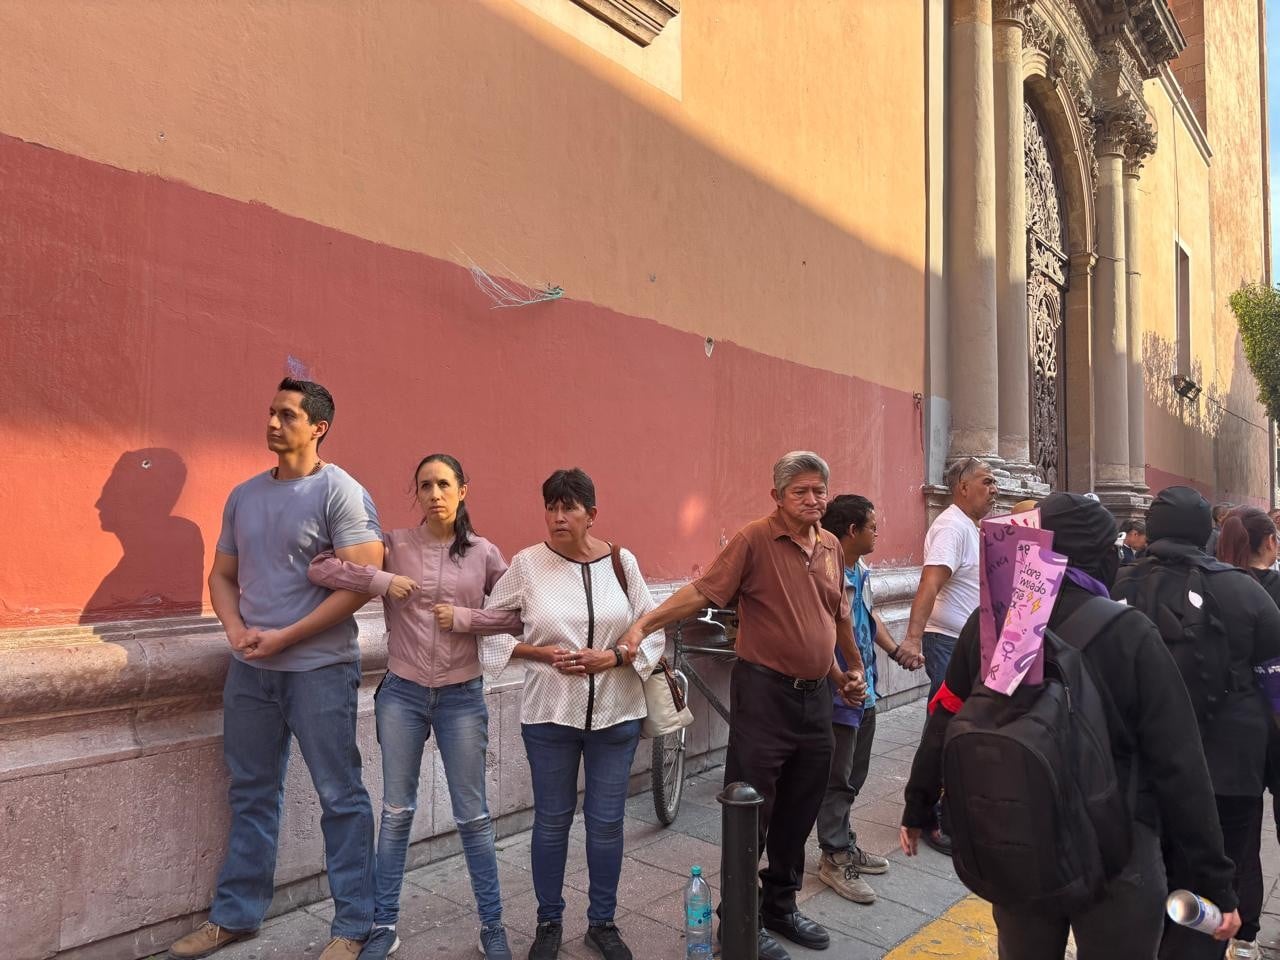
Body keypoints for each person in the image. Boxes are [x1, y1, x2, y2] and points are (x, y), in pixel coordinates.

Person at [900, 492, 1241, 958]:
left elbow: (945, 713)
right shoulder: (1130, 632)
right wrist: (1214, 881)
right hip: (1117, 849)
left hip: (1021, 834)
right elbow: (1180, 765)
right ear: (1101, 555)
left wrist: (917, 805)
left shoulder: (994, 623)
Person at [167, 379, 384, 960]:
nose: (272, 422)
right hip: (251, 671)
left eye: (287, 415)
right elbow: (222, 576)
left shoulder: (341, 491)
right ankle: (237, 916)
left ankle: (356, 926)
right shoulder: (243, 495)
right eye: (270, 411)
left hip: (319, 669)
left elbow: (365, 580)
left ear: (318, 427)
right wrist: (235, 632)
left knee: (340, 796)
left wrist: (287, 635)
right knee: (252, 793)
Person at [619, 452, 867, 960]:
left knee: (801, 805)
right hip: (764, 694)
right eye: (800, 491)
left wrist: (849, 672)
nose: (812, 500)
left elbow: (837, 616)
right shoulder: (755, 539)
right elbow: (702, 591)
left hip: (817, 697)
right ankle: (738, 918)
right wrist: (645, 624)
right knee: (751, 806)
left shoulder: (831, 547)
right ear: (776, 496)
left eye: (819, 490)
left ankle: (781, 904)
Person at [306, 454, 514, 960]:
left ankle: (492, 926)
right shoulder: (394, 545)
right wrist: (382, 582)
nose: (435, 494)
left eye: (444, 484)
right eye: (425, 486)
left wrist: (467, 618)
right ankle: (384, 926)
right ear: (416, 494)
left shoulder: (485, 553)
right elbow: (321, 566)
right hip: (401, 693)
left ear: (464, 490)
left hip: (463, 697)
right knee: (396, 814)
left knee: (474, 817)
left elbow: (516, 614)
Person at [453, 468, 666, 960]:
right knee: (551, 822)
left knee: (607, 822)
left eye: (569, 507)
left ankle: (603, 922)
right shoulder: (528, 565)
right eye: (551, 506)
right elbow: (492, 627)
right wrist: (541, 654)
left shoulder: (621, 562)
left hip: (617, 714)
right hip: (550, 715)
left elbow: (651, 628)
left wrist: (613, 656)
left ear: (592, 514)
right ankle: (548, 922)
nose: (557, 516)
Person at [1113, 487, 1280, 960]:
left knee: (1147, 878)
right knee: (1213, 886)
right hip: (1228, 770)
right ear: (1204, 529)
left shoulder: (1116, 585)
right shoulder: (1245, 591)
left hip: (1138, 769)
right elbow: (1277, 688)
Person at [815, 495, 919, 905]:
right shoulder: (828, 573)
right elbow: (821, 633)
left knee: (854, 775)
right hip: (841, 693)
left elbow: (870, 618)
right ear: (853, 531)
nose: (878, 532)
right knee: (837, 777)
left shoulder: (861, 570)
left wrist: (894, 652)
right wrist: (842, 678)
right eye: (873, 526)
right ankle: (834, 855)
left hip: (866, 690)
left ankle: (843, 840)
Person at [896, 456, 997, 854]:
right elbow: (930, 583)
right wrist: (912, 639)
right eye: (986, 481)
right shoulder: (951, 527)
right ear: (962, 487)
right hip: (947, 642)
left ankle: (943, 804)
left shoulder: (972, 528)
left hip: (965, 643)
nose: (994, 488)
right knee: (947, 726)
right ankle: (930, 813)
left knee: (953, 725)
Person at [1213, 505, 1280, 960]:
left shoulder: (1216, 588)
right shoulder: (1266, 592)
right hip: (1272, 723)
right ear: (1270, 542)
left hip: (1235, 730)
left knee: (1242, 836)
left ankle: (1244, 932)